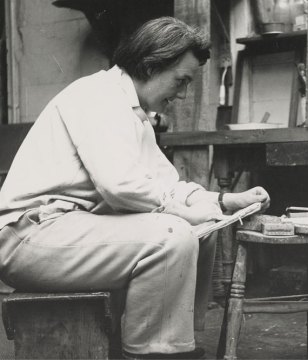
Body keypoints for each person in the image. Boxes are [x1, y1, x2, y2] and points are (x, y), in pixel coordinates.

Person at [0, 17, 270, 359]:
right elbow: (120, 186)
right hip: (29, 238)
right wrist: (182, 212)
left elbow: (165, 185)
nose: (183, 94)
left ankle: (170, 343)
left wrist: (225, 200)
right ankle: (153, 351)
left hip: (66, 231)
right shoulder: (98, 96)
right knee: (171, 235)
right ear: (150, 65)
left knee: (198, 228)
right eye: (181, 80)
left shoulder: (134, 113)